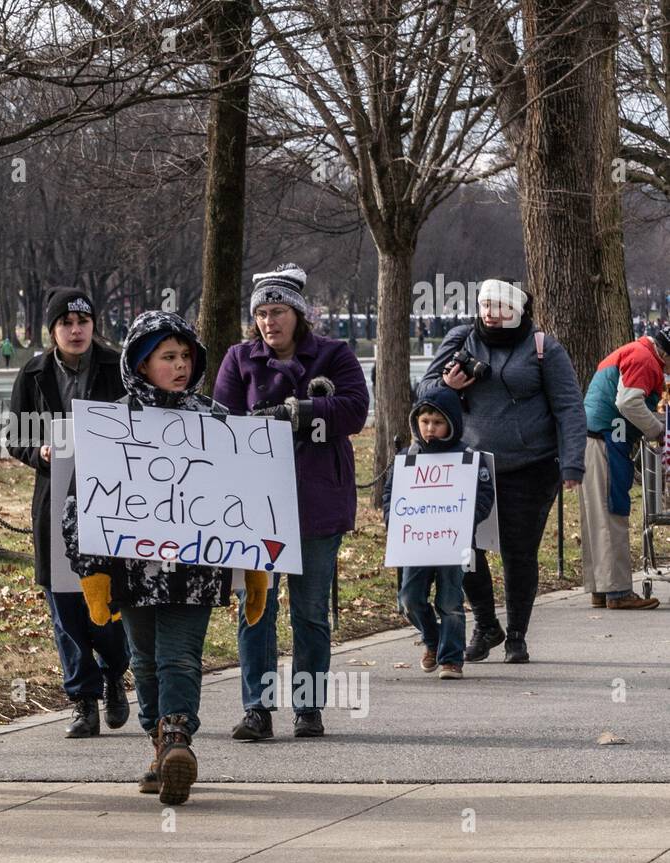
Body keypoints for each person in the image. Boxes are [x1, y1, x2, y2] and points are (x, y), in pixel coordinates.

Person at [61, 311, 266, 806]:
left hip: (195, 568)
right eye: (167, 357)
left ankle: (178, 737)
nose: (179, 365)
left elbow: (251, 499)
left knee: (179, 655)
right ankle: (158, 743)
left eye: (185, 356)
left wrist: (257, 566)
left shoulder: (216, 422)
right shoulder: (112, 424)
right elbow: (80, 502)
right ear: (140, 362)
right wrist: (91, 573)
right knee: (144, 660)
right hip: (133, 569)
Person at [214, 263, 369, 741]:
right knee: (255, 607)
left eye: (277, 311)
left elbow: (355, 412)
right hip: (257, 506)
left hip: (317, 500)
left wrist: (299, 412)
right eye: (261, 312)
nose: (268, 321)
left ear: (297, 314)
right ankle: (257, 708)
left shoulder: (335, 354)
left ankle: (309, 707)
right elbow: (223, 422)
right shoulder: (240, 359)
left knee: (309, 610)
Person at [419, 278, 586, 664]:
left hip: (531, 467)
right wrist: (447, 384)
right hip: (469, 465)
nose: (492, 315)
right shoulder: (461, 340)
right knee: (465, 549)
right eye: (486, 306)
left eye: (502, 308)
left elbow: (569, 407)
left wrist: (573, 461)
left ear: (520, 311)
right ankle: (486, 624)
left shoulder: (544, 348)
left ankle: (516, 635)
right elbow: (425, 391)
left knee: (518, 552)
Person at [8, 287, 131, 738]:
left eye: (82, 322)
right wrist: (36, 452)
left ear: (93, 325)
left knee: (110, 602)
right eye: (65, 323)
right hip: (55, 502)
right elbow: (15, 436)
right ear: (53, 330)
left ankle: (115, 672)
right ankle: (82, 698)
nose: (75, 330)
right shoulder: (34, 374)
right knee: (64, 605)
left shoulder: (118, 367)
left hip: (113, 503)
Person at [383, 387, 495, 679]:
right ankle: (432, 639)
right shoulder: (408, 457)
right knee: (408, 598)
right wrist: (393, 523)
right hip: (415, 543)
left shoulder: (467, 458)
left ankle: (451, 657)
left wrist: (463, 520)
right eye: (425, 422)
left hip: (454, 542)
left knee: (450, 600)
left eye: (437, 422)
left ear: (451, 424)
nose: (430, 428)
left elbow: (484, 496)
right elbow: (390, 496)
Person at [579, 329, 670, 610]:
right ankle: (617, 591)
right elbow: (628, 402)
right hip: (606, 439)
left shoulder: (635, 352)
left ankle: (600, 587)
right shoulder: (644, 358)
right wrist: (658, 430)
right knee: (612, 512)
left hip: (598, 437)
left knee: (596, 515)